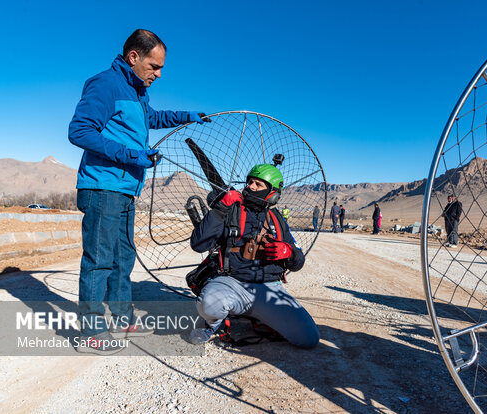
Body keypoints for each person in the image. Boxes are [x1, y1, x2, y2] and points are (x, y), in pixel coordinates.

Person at [68, 29, 211, 354]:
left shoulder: (137, 91)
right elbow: (79, 131)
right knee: (100, 259)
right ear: (134, 57)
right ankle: (91, 331)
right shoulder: (105, 84)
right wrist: (132, 155)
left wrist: (187, 116)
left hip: (124, 189)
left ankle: (121, 316)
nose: (158, 74)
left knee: (123, 256)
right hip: (102, 186)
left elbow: (151, 118)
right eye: (154, 66)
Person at [188, 164, 320, 349]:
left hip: (269, 290)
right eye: (250, 182)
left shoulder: (277, 219)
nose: (250, 186)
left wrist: (288, 252)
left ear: (272, 193)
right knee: (209, 303)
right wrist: (220, 209)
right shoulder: (230, 211)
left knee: (308, 338)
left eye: (258, 184)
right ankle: (213, 325)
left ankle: (262, 316)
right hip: (232, 283)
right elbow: (198, 244)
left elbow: (298, 262)